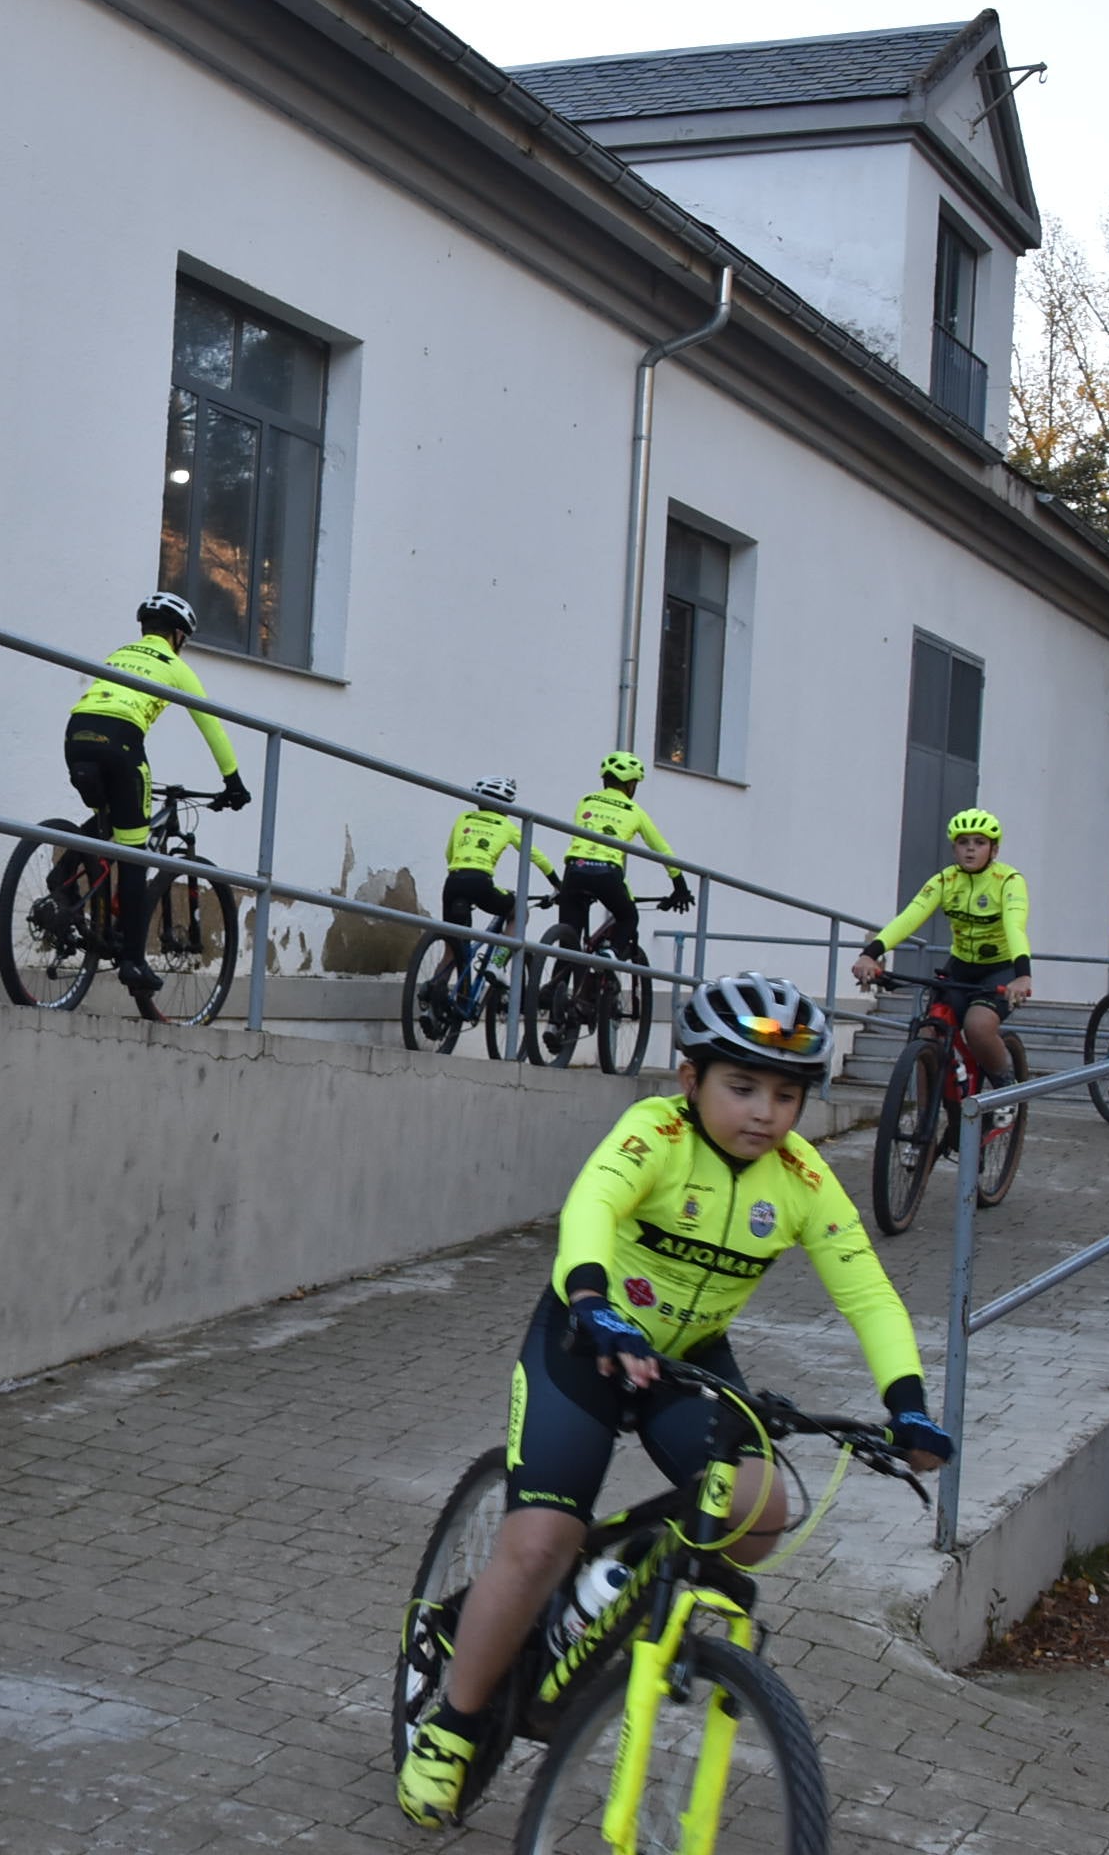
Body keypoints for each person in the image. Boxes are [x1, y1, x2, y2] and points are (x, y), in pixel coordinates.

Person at [395, 973, 952, 1829]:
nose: (765, 1113)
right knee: (541, 1539)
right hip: (586, 1345)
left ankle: (620, 1590)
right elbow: (593, 1205)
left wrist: (907, 1405)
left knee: (759, 1508)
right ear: (690, 1081)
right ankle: (457, 1727)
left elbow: (869, 1294)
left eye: (786, 1094)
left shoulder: (799, 1178)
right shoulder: (653, 1131)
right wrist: (592, 1301)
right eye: (742, 1087)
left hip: (687, 1360)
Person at [64, 592, 249, 994]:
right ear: (179, 635)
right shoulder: (174, 665)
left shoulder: (118, 653)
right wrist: (233, 781)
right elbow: (211, 724)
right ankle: (132, 961)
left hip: (77, 736)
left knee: (109, 820)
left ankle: (60, 882)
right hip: (121, 744)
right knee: (136, 854)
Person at [850, 808, 1029, 1092]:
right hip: (960, 966)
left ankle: (1006, 1090)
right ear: (954, 848)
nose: (970, 849)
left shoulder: (1008, 881)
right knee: (927, 1033)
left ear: (994, 850)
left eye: (979, 843)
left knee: (978, 1027)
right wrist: (870, 953)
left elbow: (1014, 927)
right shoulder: (945, 880)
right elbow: (909, 918)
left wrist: (1022, 976)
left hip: (1000, 969)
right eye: (963, 842)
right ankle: (926, 1126)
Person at [431, 776, 559, 1009]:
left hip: (453, 881)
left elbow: (449, 853)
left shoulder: (463, 818)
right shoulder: (506, 826)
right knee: (519, 910)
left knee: (453, 946)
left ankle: (432, 994)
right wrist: (557, 884)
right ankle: (497, 963)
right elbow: (536, 856)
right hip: (480, 883)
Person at [557, 750, 693, 956]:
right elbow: (661, 849)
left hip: (575, 868)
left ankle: (552, 987)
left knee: (569, 945)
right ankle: (611, 954)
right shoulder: (635, 811)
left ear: (605, 781)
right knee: (628, 917)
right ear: (631, 785)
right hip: (608, 873)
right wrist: (679, 886)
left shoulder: (585, 800)